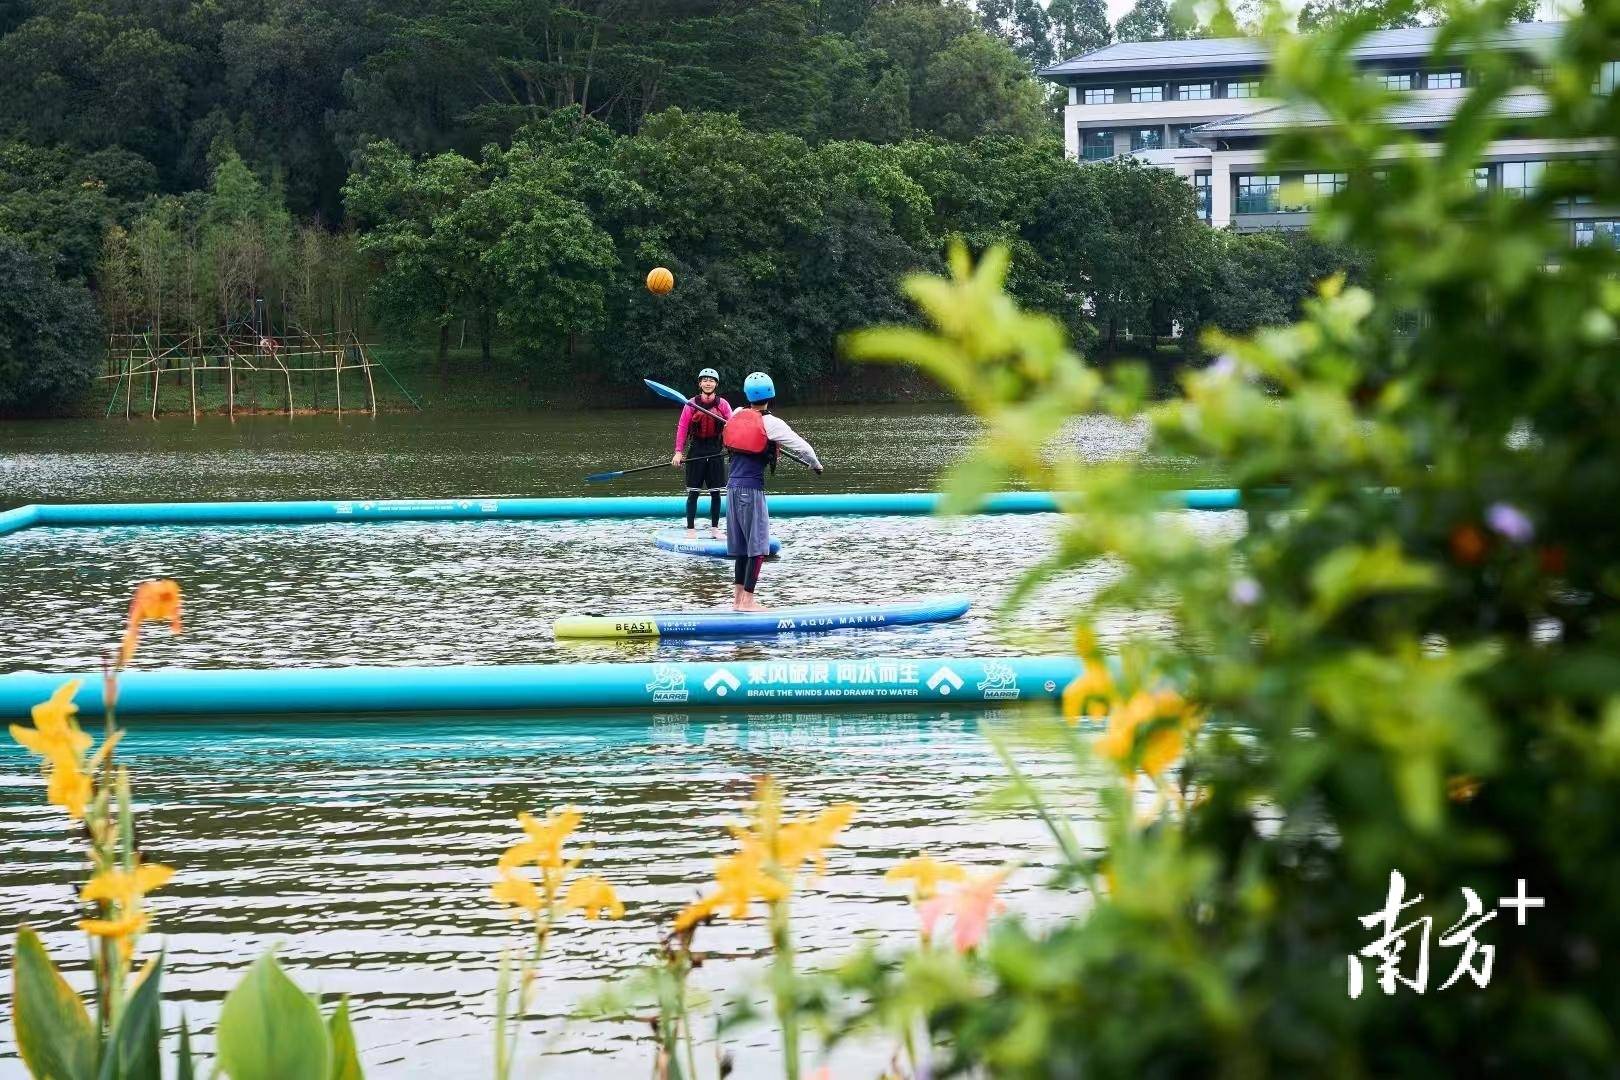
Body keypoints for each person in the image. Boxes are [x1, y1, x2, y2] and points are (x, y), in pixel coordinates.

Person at [723, 371, 823, 611]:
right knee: (758, 547)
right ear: (771, 395)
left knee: (741, 548)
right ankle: (748, 601)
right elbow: (803, 448)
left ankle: (737, 600)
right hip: (751, 490)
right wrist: (815, 464)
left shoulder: (736, 414)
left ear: (747, 395)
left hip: (732, 488)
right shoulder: (772, 423)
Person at [671, 368, 732, 538]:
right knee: (693, 492)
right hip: (696, 449)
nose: (708, 383)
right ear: (700, 384)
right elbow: (682, 429)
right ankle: (690, 528)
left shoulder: (723, 405)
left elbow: (732, 427)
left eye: (711, 380)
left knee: (716, 492)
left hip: (716, 450)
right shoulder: (691, 404)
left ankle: (715, 529)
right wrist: (678, 452)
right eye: (704, 380)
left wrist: (733, 449)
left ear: (716, 384)